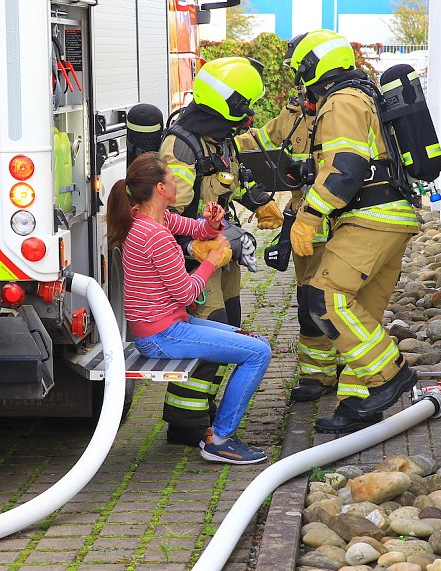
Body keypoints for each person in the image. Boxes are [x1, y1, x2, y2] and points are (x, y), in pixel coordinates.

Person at [284, 30, 421, 433]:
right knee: (363, 313)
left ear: (313, 66)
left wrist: (309, 215)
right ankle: (358, 406)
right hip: (392, 217)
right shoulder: (364, 94)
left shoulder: (341, 101)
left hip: (369, 218)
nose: (300, 79)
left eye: (300, 69)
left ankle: (392, 377)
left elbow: (345, 167)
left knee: (325, 298)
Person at [105, 151, 272, 464]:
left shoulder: (155, 219)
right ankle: (221, 440)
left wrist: (212, 223)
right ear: (160, 189)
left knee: (253, 341)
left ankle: (216, 431)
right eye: (170, 178)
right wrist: (212, 261)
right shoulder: (155, 236)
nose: (175, 182)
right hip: (162, 335)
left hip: (166, 327)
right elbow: (186, 293)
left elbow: (197, 231)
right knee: (258, 353)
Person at [158, 56, 283, 446]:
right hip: (193, 261)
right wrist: (197, 246)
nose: (248, 114)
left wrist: (261, 201)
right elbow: (165, 215)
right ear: (224, 102)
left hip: (222, 250)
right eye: (244, 105)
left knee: (231, 320)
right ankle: (185, 425)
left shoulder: (218, 136)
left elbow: (232, 180)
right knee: (213, 337)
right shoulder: (181, 144)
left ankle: (201, 412)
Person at [235, 90, 341, 402]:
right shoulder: (295, 115)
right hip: (307, 231)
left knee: (343, 303)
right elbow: (260, 142)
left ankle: (352, 369)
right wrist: (215, 138)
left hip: (347, 226)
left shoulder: (347, 107)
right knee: (310, 303)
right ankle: (316, 375)